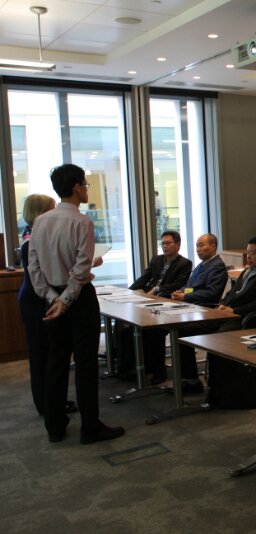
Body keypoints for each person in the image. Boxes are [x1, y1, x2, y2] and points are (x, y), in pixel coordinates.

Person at [27, 164, 124, 444]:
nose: (86, 189)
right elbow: (81, 269)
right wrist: (67, 300)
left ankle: (55, 426)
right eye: (85, 184)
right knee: (85, 363)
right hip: (79, 299)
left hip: (51, 298)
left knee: (56, 360)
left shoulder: (40, 222)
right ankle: (90, 427)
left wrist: (52, 299)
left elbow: (34, 267)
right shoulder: (82, 222)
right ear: (76, 188)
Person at [179, 236, 256, 407]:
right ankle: (191, 380)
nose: (248, 256)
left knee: (218, 340)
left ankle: (221, 392)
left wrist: (235, 311)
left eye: (253, 253)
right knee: (184, 329)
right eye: (247, 252)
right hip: (229, 314)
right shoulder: (248, 271)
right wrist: (223, 304)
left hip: (248, 319)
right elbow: (232, 293)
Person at [18, 194, 77, 416]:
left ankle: (51, 400)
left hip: (37, 298)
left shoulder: (33, 234)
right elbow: (41, 276)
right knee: (41, 354)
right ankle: (46, 404)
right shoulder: (31, 240)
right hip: (36, 301)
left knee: (47, 353)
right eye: (52, 209)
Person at [123, 230, 192, 382]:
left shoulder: (184, 263)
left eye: (168, 243)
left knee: (153, 331)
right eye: (163, 243)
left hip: (167, 302)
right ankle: (131, 367)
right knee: (127, 327)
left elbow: (178, 284)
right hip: (149, 299)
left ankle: (158, 372)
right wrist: (129, 292)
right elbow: (144, 278)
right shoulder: (157, 260)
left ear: (178, 245)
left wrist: (156, 290)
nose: (165, 246)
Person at [170, 233, 228, 392]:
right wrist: (180, 292)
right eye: (197, 246)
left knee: (180, 331)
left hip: (205, 310)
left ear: (213, 246)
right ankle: (185, 378)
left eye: (202, 245)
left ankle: (192, 381)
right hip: (192, 307)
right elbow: (190, 286)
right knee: (169, 324)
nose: (198, 249)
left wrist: (186, 296)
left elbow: (212, 293)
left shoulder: (217, 266)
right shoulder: (202, 265)